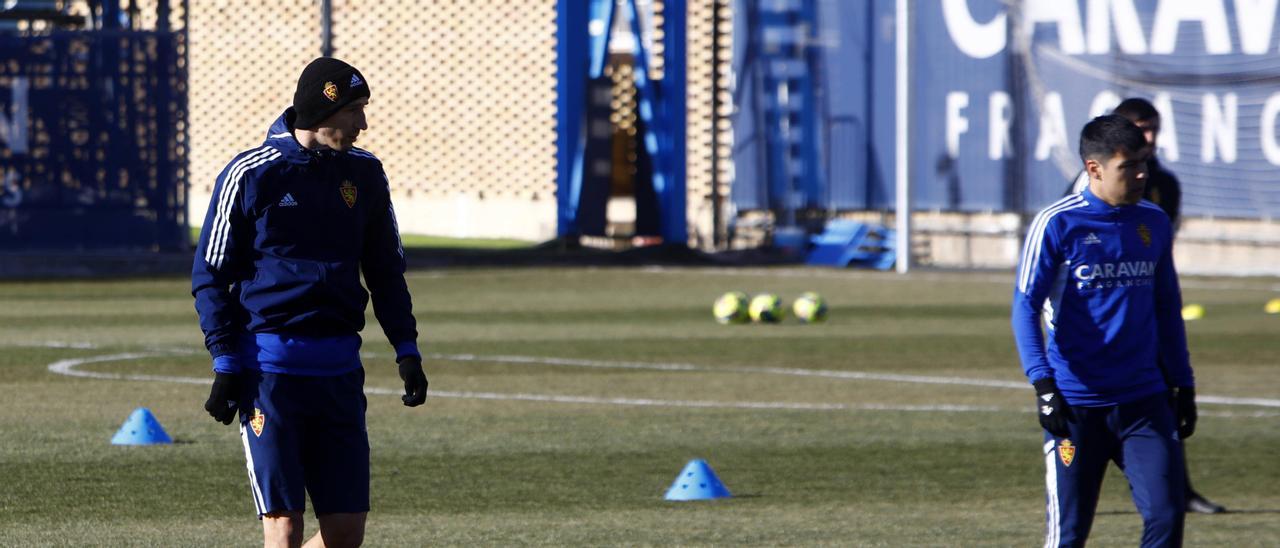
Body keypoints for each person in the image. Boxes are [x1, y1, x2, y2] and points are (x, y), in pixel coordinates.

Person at [192, 57, 429, 548]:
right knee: (283, 527)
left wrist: (406, 349)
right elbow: (210, 273)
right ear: (322, 109)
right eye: (354, 111)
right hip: (270, 373)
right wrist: (225, 360)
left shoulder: (365, 174)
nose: (362, 124)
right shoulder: (250, 174)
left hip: (340, 371)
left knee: (345, 533)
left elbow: (386, 272)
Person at [1013, 114, 1197, 547]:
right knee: (1069, 535)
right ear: (1094, 168)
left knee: (1167, 517)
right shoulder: (1057, 223)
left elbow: (1167, 306)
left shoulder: (1152, 221)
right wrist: (1042, 385)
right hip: (1077, 404)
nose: (1140, 174)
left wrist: (1183, 383)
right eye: (1128, 165)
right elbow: (1025, 307)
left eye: (1144, 163)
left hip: (1144, 401)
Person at [1064, 97, 1224, 515]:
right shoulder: (1077, 198)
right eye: (1141, 128)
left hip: (1146, 318)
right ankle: (1082, 490)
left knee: (1163, 401)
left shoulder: (1164, 185)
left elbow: (1156, 255)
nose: (1149, 138)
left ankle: (1178, 492)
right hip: (1096, 337)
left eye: (1153, 129)